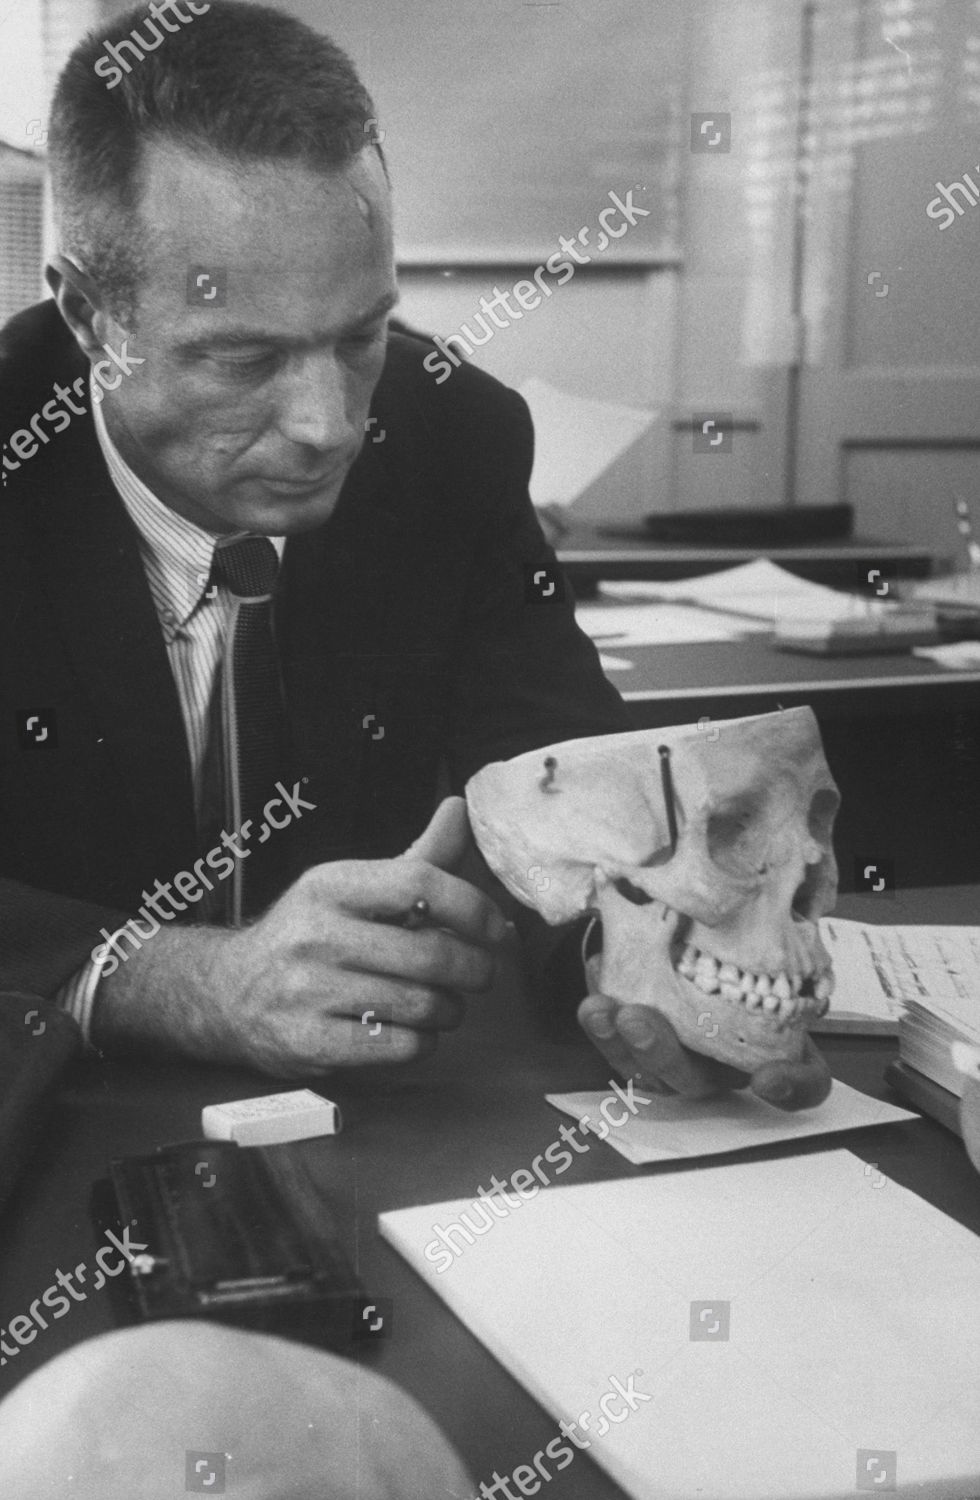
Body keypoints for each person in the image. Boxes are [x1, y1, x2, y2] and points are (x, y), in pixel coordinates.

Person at [0, 0, 828, 1109]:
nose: (328, 425)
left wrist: (632, 965)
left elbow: (568, 769)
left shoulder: (451, 437)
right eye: (243, 359)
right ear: (89, 317)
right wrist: (175, 982)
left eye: (361, 336)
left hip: (379, 1117)